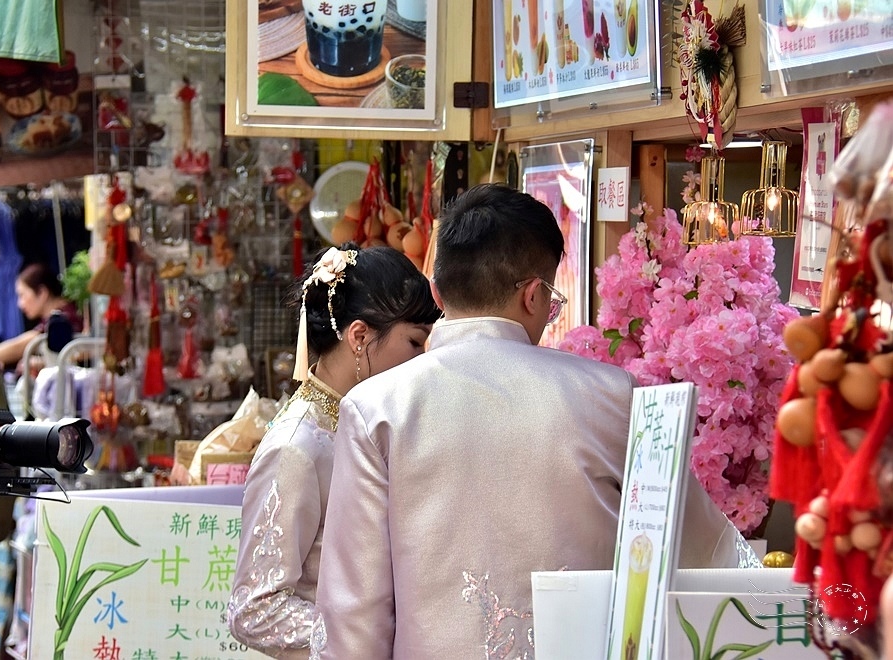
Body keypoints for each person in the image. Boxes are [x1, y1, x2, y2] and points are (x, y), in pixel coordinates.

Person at [311, 184, 758, 658]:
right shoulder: (612, 394)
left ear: (437, 293)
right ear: (532, 295)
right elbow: (706, 552)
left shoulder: (375, 408)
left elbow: (354, 615)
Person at [227, 243, 441, 658]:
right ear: (359, 336)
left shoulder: (367, 422)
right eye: (415, 342)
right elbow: (254, 609)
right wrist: (364, 635)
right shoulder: (297, 446)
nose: (422, 359)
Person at [0, 261, 83, 372]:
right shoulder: (61, 313)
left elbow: (23, 344)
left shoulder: (63, 317)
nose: (20, 304)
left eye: (22, 295)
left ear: (42, 292)